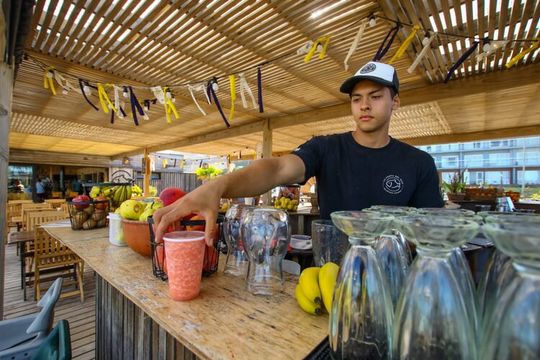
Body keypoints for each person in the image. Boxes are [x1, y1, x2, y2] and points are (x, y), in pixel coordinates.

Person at [154, 61, 443, 244]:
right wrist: (219, 185)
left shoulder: (418, 163)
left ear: (395, 103)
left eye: (376, 97)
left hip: (394, 278)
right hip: (333, 274)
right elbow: (277, 169)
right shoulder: (326, 148)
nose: (364, 106)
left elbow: (432, 235)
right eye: (357, 99)